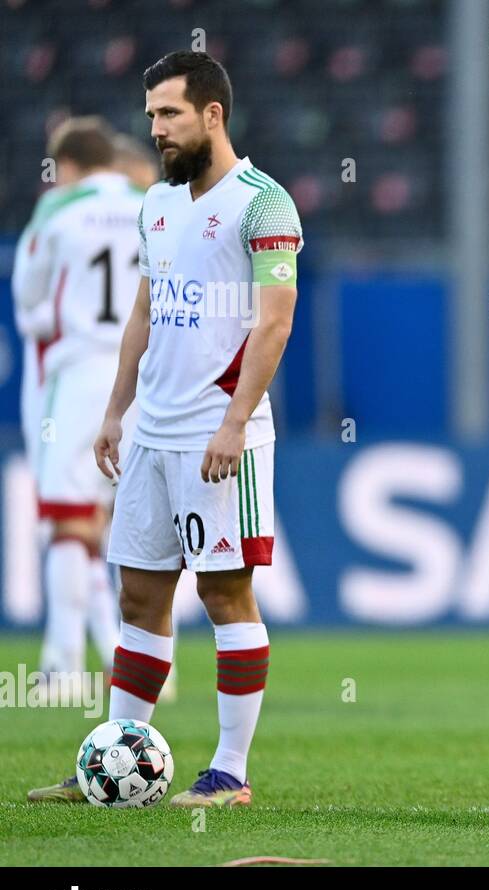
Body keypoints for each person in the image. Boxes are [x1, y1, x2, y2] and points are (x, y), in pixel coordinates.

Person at [28, 50, 303, 808]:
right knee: (139, 600)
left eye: (170, 114)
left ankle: (230, 772)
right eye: (151, 115)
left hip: (221, 438)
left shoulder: (265, 204)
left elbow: (274, 324)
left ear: (213, 114)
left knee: (223, 595)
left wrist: (235, 420)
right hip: (151, 433)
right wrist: (117, 411)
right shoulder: (156, 203)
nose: (155, 129)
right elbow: (145, 313)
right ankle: (111, 760)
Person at [11, 117, 140, 699]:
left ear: (64, 164)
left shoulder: (57, 210)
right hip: (142, 377)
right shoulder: (151, 206)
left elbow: (29, 299)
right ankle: (139, 663)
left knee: (67, 517)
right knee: (118, 523)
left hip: (81, 372)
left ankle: (63, 666)